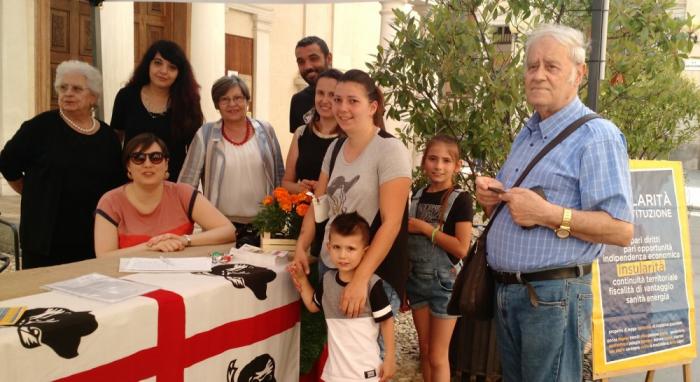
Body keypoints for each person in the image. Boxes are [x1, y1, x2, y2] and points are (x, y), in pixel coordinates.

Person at [475, 24, 634, 382]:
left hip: (553, 298)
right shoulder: (529, 132)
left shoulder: (597, 136)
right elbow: (520, 211)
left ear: (579, 74)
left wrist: (548, 214)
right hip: (512, 293)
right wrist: (493, 199)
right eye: (532, 66)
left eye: (551, 66)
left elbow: (621, 230)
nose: (538, 75)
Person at [292, 69, 412, 318]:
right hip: (332, 266)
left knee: (370, 354)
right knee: (341, 349)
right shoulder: (335, 147)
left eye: (352, 101)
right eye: (338, 100)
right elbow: (320, 205)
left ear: (372, 107)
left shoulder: (390, 150)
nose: (342, 107)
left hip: (374, 274)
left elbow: (391, 224)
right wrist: (302, 246)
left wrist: (361, 279)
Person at [0, 61, 124, 268]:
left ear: (93, 97)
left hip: (92, 235)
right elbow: (7, 162)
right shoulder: (39, 127)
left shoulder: (108, 137)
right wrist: (32, 192)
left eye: (76, 89)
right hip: (45, 238)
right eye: (63, 87)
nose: (68, 93)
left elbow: (116, 183)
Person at [178, 75, 284, 247]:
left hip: (264, 225)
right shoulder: (205, 134)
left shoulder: (266, 130)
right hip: (220, 227)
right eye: (224, 99)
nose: (232, 104)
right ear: (216, 104)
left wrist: (279, 217)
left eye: (237, 98)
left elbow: (280, 175)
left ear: (247, 101)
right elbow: (186, 185)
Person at [289, 212, 395, 382]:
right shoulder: (327, 281)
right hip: (335, 373)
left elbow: (387, 321)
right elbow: (312, 305)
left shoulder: (372, 284)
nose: (343, 255)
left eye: (351, 248)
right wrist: (301, 279)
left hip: (366, 373)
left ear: (365, 251)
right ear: (328, 247)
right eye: (337, 247)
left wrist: (390, 358)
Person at [94, 133, 235, 257]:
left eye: (156, 157)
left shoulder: (183, 193)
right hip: (127, 280)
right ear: (128, 166)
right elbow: (104, 256)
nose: (147, 164)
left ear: (166, 164)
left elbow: (228, 231)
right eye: (138, 158)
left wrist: (184, 240)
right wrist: (152, 246)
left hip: (182, 277)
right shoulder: (110, 202)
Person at [406, 135, 473, 381]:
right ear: (424, 162)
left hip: (444, 283)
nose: (438, 166)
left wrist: (426, 229)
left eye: (446, 161)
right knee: (423, 352)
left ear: (457, 165)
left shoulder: (461, 199)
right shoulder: (416, 195)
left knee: (437, 355)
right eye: (433, 159)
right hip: (416, 281)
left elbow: (461, 248)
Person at [110, 40, 204, 181]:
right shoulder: (126, 96)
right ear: (148, 64)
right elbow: (116, 139)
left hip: (172, 184)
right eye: (158, 63)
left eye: (172, 67)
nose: (163, 71)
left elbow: (194, 152)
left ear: (179, 73)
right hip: (132, 182)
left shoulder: (189, 103)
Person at [283, 68, 343, 194]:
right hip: (302, 210)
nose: (324, 100)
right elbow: (286, 183)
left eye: (331, 95)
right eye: (320, 93)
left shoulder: (349, 138)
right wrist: (301, 188)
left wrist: (322, 189)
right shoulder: (301, 133)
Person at [290, 36, 332, 133]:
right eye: (301, 62)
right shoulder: (298, 101)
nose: (307, 66)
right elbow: (298, 143)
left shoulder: (350, 96)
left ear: (328, 59)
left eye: (313, 59)